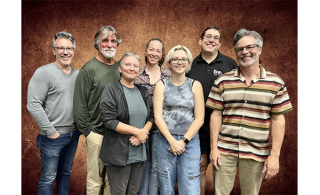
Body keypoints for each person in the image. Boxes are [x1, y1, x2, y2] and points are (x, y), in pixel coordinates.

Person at [206, 28, 293, 195]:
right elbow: (216, 115)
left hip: (256, 151)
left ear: (259, 49)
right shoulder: (223, 81)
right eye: (240, 49)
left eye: (249, 47)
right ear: (236, 52)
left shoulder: (275, 83)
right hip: (224, 150)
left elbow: (278, 120)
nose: (245, 52)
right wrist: (214, 148)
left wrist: (274, 156)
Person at [186, 26, 238, 195]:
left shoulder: (230, 64)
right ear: (200, 41)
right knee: (200, 166)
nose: (212, 40)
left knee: (221, 168)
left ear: (220, 44)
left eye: (216, 38)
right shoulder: (190, 65)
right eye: (208, 36)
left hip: (224, 127)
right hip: (198, 127)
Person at [27, 31, 80, 195]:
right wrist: (51, 132)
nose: (65, 52)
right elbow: (33, 104)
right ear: (53, 50)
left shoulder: (78, 75)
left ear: (74, 50)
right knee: (48, 179)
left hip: (73, 134)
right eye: (61, 48)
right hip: (52, 136)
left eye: (69, 48)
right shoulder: (43, 72)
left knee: (65, 175)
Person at [73, 25, 121, 195]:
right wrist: (88, 132)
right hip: (97, 134)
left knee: (111, 180)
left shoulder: (121, 68)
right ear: (97, 44)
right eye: (105, 40)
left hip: (116, 134)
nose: (109, 44)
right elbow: (79, 104)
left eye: (113, 41)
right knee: (95, 180)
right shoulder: (88, 70)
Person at [153, 45, 205, 195]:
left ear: (188, 63)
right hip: (164, 141)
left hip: (190, 142)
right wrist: (171, 141)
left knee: (190, 187)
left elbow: (199, 118)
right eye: (175, 59)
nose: (179, 62)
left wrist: (182, 142)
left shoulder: (195, 85)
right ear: (169, 62)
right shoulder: (161, 85)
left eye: (183, 59)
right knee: (166, 187)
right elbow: (158, 117)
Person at [99, 52, 153, 194]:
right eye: (127, 64)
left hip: (139, 153)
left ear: (139, 70)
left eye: (135, 66)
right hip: (118, 154)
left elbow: (151, 117)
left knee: (133, 192)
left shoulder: (143, 91)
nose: (131, 68)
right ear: (120, 68)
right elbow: (109, 120)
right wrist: (138, 132)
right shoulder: (111, 89)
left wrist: (143, 134)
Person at [134, 38, 171, 195]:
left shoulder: (169, 75)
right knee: (141, 163)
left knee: (156, 164)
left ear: (162, 54)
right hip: (140, 126)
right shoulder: (136, 75)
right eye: (151, 49)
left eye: (158, 51)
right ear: (145, 51)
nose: (154, 53)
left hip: (161, 125)